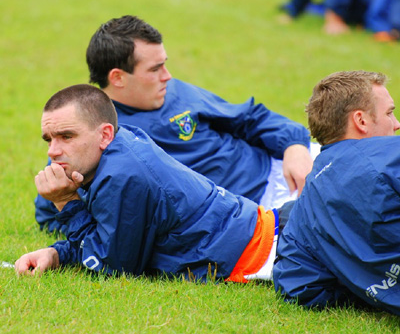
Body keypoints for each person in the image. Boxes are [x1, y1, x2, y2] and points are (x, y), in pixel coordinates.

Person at [35, 15, 318, 233]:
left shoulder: (172, 91)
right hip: (257, 209)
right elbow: (54, 206)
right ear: (118, 77)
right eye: (155, 69)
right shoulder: (96, 134)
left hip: (287, 162)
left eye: (165, 64)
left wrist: (294, 145)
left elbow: (249, 118)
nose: (167, 76)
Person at [17, 84, 296, 282]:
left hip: (273, 250)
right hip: (273, 226)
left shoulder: (122, 176)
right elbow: (106, 236)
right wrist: (56, 254)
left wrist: (66, 203)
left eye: (66, 136)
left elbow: (111, 268)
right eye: (49, 139)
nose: (52, 151)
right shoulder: (120, 144)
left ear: (104, 135)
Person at [273, 71, 400, 333]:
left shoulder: (302, 210)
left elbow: (298, 287)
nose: (397, 123)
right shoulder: (395, 157)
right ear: (361, 120)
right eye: (389, 113)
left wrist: (369, 284)